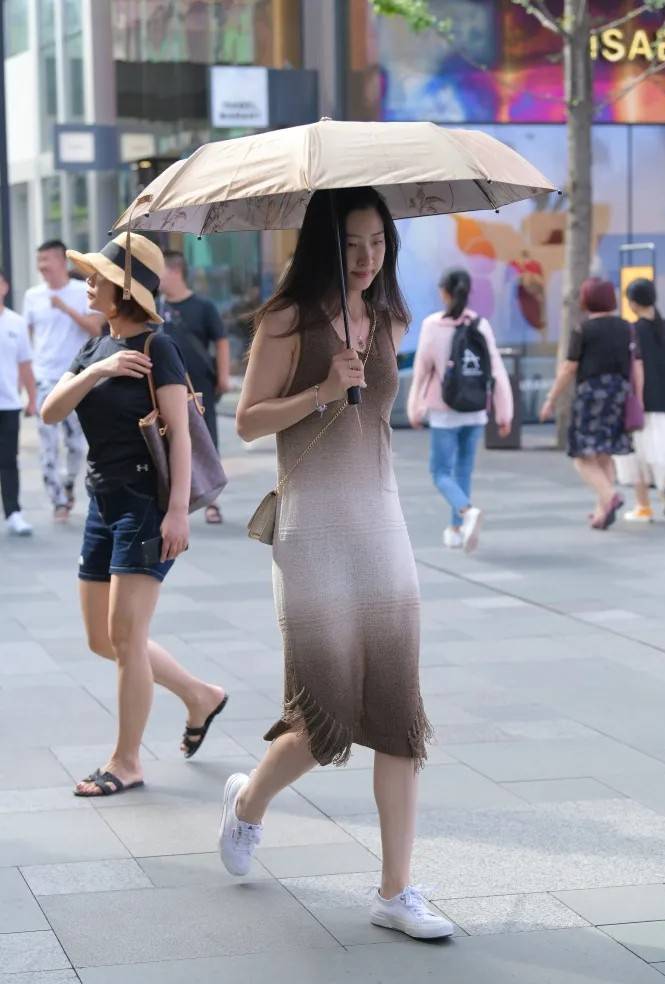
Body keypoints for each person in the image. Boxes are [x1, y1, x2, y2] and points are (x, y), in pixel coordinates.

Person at [219, 187, 453, 941]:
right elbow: (249, 419)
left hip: (380, 527)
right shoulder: (287, 319)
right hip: (313, 534)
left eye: (378, 243)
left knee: (395, 712)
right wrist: (321, 390)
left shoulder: (386, 316)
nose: (367, 258)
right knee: (324, 722)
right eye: (353, 244)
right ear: (326, 243)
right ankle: (249, 800)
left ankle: (396, 889)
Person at [40, 232, 227, 797]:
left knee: (126, 638)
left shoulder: (158, 347)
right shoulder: (97, 346)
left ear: (124, 289)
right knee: (103, 639)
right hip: (103, 504)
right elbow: (50, 412)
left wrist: (178, 514)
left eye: (97, 277)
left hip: (146, 507)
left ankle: (126, 762)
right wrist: (96, 372)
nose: (88, 283)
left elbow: (181, 437)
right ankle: (200, 695)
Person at [406, 269, 513, 552]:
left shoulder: (433, 325)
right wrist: (505, 413)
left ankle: (465, 513)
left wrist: (415, 408)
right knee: (463, 470)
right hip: (476, 410)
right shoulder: (481, 324)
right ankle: (456, 530)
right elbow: (497, 370)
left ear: (444, 292)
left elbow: (422, 372)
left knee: (440, 471)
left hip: (444, 411)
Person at [540, 277, 637, 530]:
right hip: (619, 392)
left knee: (582, 457)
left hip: (592, 393)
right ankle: (602, 511)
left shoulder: (583, 329)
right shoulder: (626, 327)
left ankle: (610, 497)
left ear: (586, 299)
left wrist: (551, 398)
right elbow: (636, 366)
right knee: (604, 453)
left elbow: (569, 367)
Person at [22, 240, 102, 521]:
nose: (42, 266)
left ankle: (68, 484)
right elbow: (27, 336)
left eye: (46, 260)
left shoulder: (81, 292)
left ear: (61, 261)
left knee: (77, 444)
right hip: (44, 378)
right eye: (39, 260)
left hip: (75, 378)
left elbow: (96, 328)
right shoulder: (32, 296)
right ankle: (57, 501)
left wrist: (65, 309)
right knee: (47, 445)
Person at [159, 250, 231, 524]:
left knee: (206, 440)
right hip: (167, 385)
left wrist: (223, 376)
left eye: (160, 271)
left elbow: (221, 340)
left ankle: (212, 501)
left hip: (199, 384)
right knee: (169, 440)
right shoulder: (155, 307)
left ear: (175, 271)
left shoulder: (203, 306)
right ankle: (175, 500)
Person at [615, 278, 665, 522]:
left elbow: (637, 369)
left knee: (637, 454)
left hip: (642, 401)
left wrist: (636, 398)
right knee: (659, 449)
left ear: (634, 302)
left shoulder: (634, 330)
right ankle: (663, 484)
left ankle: (643, 506)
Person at [0, 270, 36, 536]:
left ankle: (13, 512)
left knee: (8, 461)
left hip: (9, 404)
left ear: (5, 287)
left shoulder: (16, 322)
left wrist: (32, 399)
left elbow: (25, 364)